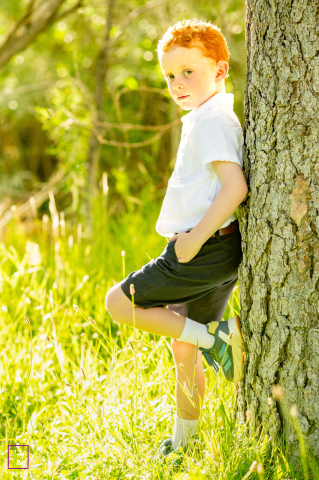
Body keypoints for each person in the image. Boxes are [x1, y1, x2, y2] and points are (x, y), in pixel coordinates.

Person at [105, 17, 248, 460]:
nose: (177, 83)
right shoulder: (205, 116)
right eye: (170, 75)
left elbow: (235, 187)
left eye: (189, 71)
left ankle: (218, 341)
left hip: (201, 250)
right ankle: (184, 445)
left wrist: (190, 242)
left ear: (220, 70)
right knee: (182, 347)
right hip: (213, 249)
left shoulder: (211, 121)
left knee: (118, 302)